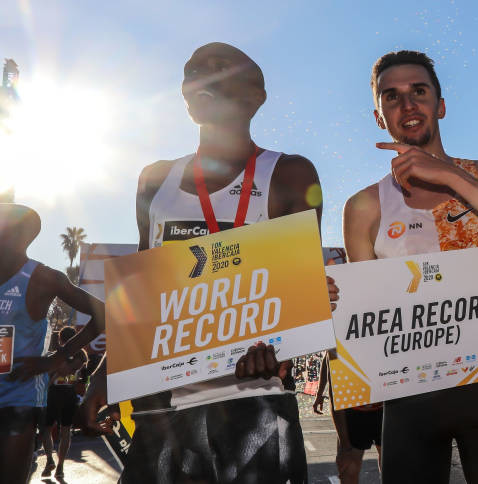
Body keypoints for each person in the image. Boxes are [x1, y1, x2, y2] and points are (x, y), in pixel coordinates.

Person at [76, 42, 337, 483]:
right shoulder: (156, 178)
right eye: (193, 70)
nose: (200, 76)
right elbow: (140, 291)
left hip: (254, 396)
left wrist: (282, 345)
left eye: (218, 69)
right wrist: (105, 374)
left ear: (256, 97)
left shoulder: (290, 173)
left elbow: (301, 289)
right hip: (163, 400)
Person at [342, 50, 478, 483]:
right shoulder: (364, 206)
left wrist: (451, 176)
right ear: (379, 117)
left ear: (440, 105)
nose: (408, 104)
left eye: (419, 91)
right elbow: (365, 312)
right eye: (392, 96)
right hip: (408, 392)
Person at [0, 203, 105, 484]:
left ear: (19, 236)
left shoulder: (42, 278)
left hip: (16, 399)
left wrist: (56, 358)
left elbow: (103, 314)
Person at [314, 352, 383, 483]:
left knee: (391, 466)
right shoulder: (337, 345)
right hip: (354, 411)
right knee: (348, 468)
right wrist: (345, 445)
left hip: (383, 407)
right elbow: (335, 393)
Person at [40, 326, 89, 479]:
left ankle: (49, 459)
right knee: (66, 431)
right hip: (70, 395)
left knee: (46, 429)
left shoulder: (57, 356)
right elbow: (83, 379)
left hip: (53, 394)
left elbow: (49, 377)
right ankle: (60, 467)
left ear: (61, 339)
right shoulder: (82, 357)